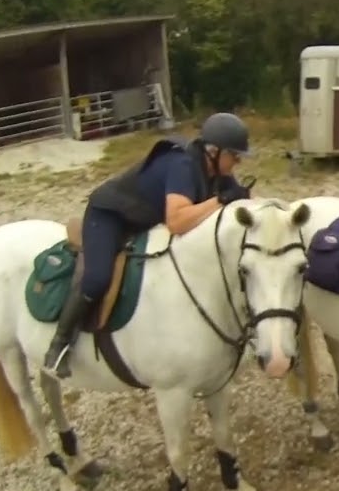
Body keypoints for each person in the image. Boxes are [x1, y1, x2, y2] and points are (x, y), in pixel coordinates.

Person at [41, 112, 255, 380]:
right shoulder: (182, 165)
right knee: (97, 278)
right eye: (234, 155)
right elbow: (177, 221)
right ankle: (59, 345)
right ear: (214, 150)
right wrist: (221, 200)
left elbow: (236, 202)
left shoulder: (217, 171)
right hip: (110, 216)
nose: (237, 161)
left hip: (141, 219)